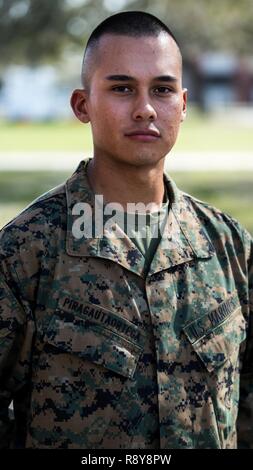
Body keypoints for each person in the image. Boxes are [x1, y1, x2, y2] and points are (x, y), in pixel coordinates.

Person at [0, 11, 252, 450]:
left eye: (162, 89)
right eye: (121, 88)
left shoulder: (229, 247)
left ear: (184, 104)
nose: (145, 108)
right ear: (82, 105)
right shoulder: (26, 251)